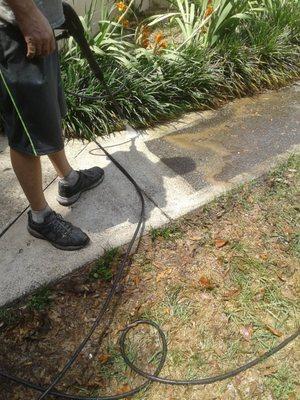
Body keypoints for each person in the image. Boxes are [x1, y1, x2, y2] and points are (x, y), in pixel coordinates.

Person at [0, 0, 104, 250]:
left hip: (35, 21)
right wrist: (28, 13)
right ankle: (40, 217)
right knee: (26, 132)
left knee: (47, 112)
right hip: (16, 26)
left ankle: (68, 179)